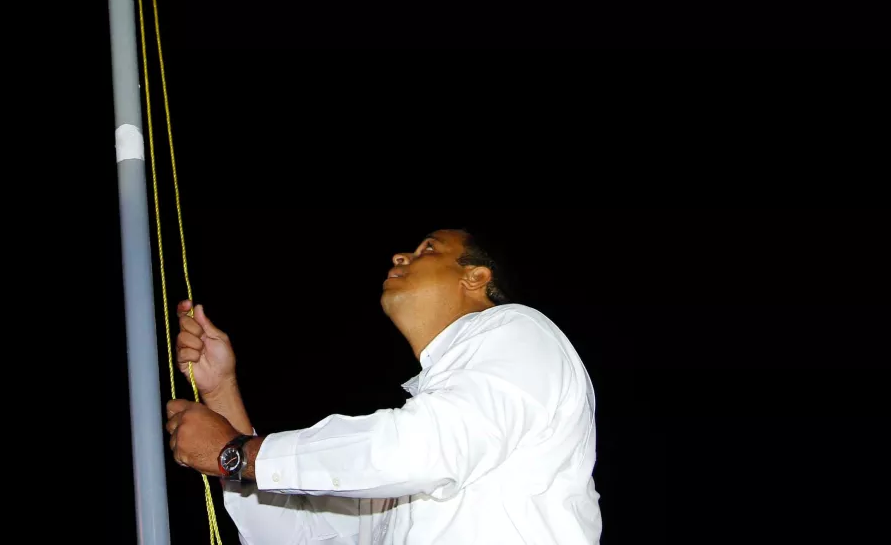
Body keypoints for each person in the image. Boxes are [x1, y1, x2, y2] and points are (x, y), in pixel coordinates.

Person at [165, 229, 602, 544]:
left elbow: (422, 448)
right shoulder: (405, 453)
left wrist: (237, 454)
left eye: (428, 249)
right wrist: (222, 394)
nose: (400, 256)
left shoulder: (517, 329)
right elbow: (300, 535)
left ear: (475, 278)